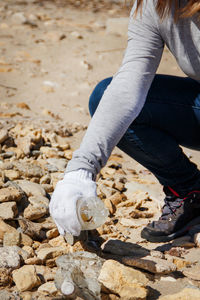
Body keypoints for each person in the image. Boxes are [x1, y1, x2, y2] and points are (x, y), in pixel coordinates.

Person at [49, 0, 200, 243]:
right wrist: (80, 171)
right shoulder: (156, 5)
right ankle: (189, 190)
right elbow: (128, 86)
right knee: (104, 97)